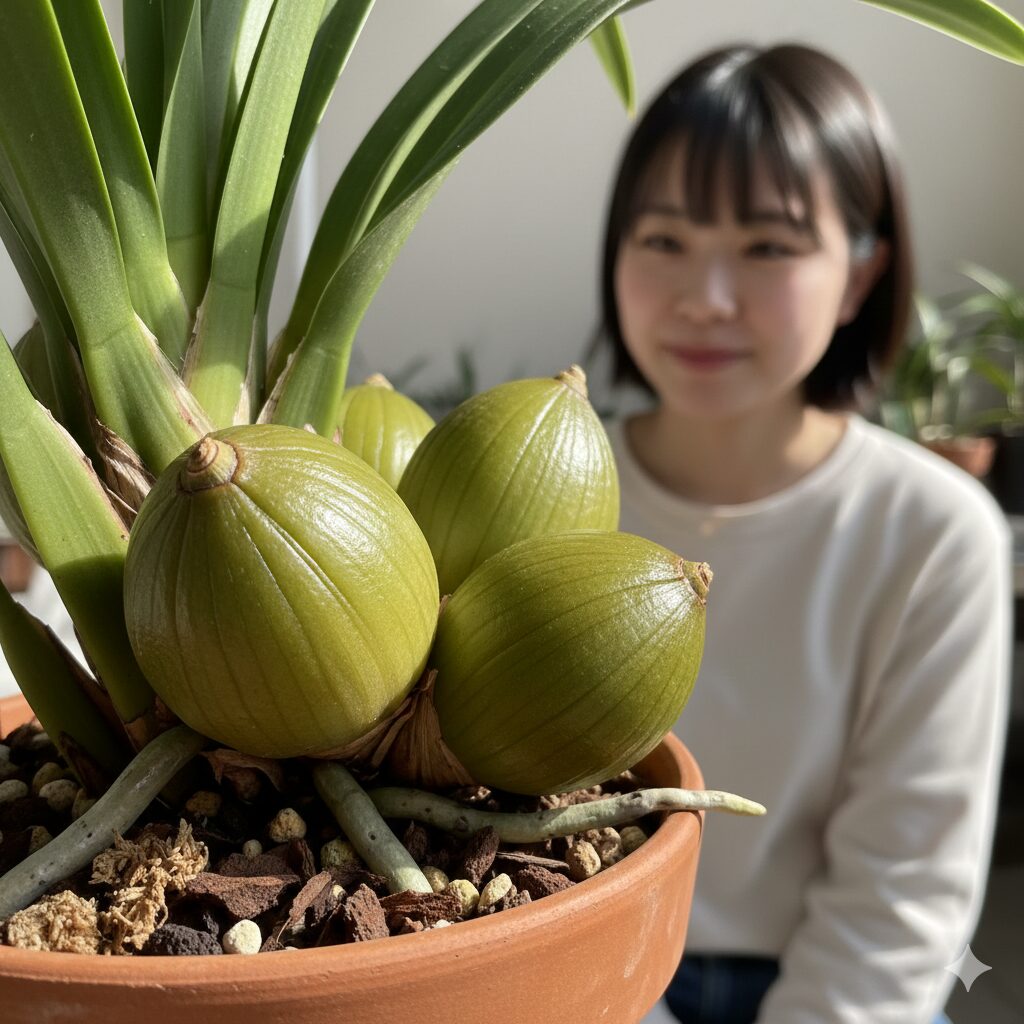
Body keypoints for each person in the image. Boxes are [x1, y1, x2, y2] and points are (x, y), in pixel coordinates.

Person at [596, 43, 1012, 1024]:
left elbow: (901, 898)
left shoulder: (933, 532)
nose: (706, 294)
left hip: (829, 983)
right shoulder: (553, 500)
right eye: (661, 239)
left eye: (768, 247)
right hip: (581, 972)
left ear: (861, 275)